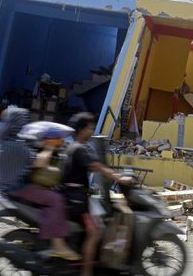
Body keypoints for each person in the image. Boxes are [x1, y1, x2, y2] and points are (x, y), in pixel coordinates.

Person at [0, 107, 80, 261]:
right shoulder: (18, 146)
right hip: (17, 188)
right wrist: (49, 146)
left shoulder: (6, 141)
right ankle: (58, 245)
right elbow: (39, 163)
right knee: (56, 199)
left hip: (5, 186)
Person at [62, 112, 133, 276]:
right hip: (76, 201)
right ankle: (86, 272)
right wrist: (119, 178)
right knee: (96, 232)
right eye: (90, 128)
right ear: (81, 130)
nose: (91, 132)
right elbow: (97, 167)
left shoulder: (73, 147)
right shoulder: (79, 149)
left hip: (75, 196)